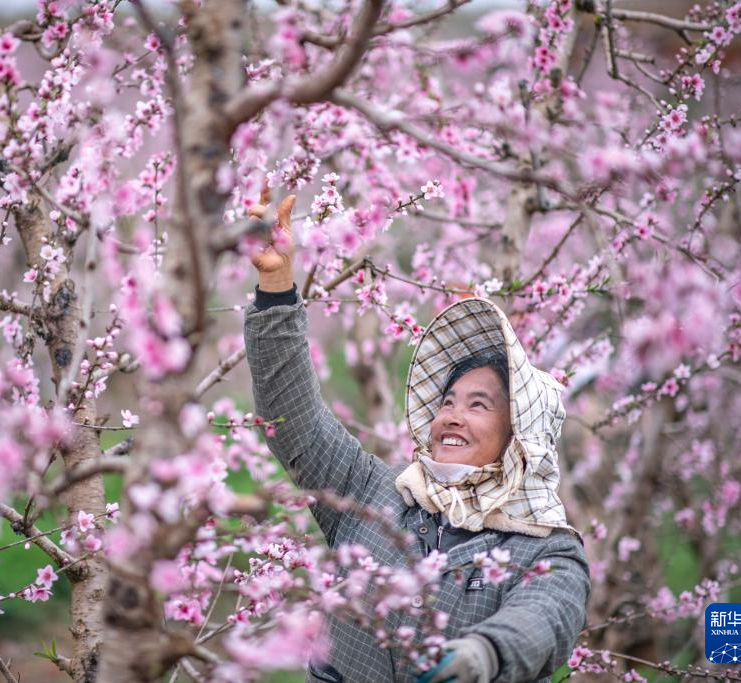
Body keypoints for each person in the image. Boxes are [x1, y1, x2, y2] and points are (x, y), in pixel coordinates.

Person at [242, 191, 590, 683]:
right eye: (447, 401)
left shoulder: (545, 550)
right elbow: (290, 414)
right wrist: (276, 286)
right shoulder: (371, 493)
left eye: (478, 404)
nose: (451, 415)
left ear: (520, 434)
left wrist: (484, 655)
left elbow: (545, 617)